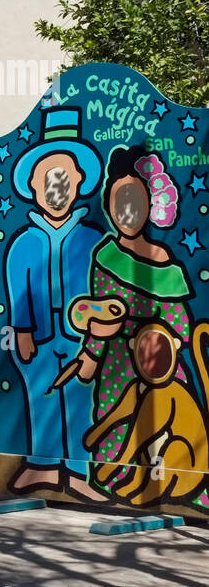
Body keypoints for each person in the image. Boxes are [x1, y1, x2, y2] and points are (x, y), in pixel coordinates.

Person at [72, 146, 193, 486]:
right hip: (117, 367)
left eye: (135, 200)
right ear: (109, 205)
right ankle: (113, 482)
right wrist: (92, 353)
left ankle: (168, 483)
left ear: (152, 204)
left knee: (163, 428)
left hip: (162, 367)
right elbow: (99, 310)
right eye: (119, 200)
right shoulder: (106, 255)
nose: (127, 210)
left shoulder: (167, 263)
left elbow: (181, 323)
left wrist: (159, 342)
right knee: (114, 422)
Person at [4, 106, 105, 498]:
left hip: (81, 336)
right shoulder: (24, 243)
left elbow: (100, 290)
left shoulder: (92, 238)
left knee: (81, 398)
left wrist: (96, 337)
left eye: (63, 177)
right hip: (40, 337)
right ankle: (42, 466)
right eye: (48, 179)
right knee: (41, 394)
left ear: (79, 181)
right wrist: (24, 331)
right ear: (32, 184)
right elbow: (19, 289)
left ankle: (81, 470)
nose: (56, 187)